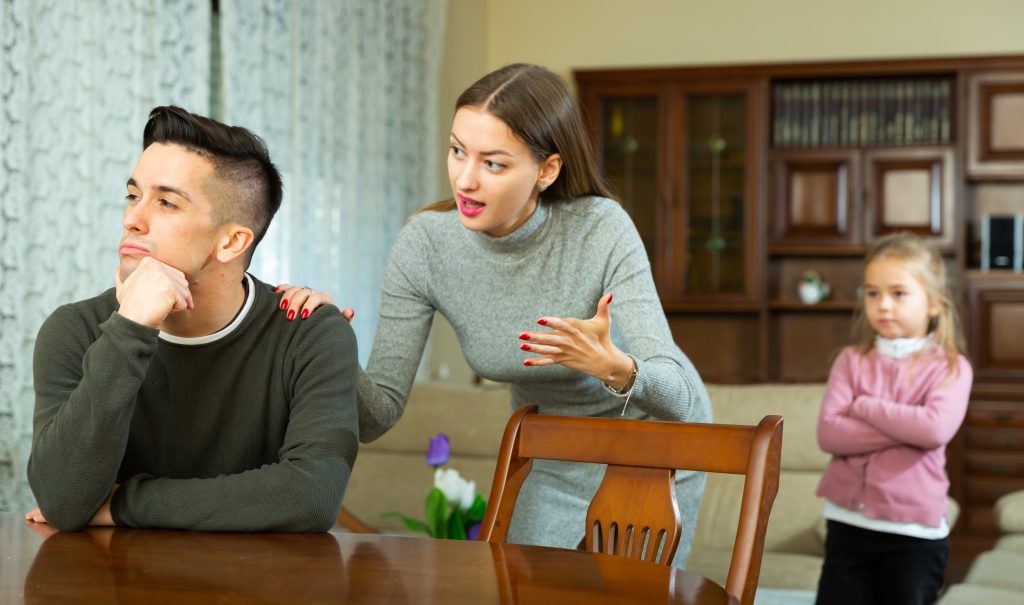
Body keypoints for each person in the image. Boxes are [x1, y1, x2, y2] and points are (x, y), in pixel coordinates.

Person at [277, 63, 712, 567]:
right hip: (551, 447)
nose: (465, 178)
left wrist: (612, 366)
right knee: (520, 587)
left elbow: (678, 398)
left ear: (546, 171)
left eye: (494, 164)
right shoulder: (425, 245)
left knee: (627, 597)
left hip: (652, 442)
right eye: (458, 150)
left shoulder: (600, 229)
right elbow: (377, 415)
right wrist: (329, 337)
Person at [25, 106, 359, 532]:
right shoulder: (75, 330)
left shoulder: (310, 334)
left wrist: (124, 504)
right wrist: (129, 331)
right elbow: (60, 500)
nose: (132, 219)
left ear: (232, 241)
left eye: (166, 202)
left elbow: (311, 496)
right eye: (133, 195)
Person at [814, 232, 973, 604]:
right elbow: (829, 434)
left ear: (933, 304)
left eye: (898, 293)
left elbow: (933, 429)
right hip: (847, 525)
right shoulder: (849, 360)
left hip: (914, 535)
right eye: (872, 293)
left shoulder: (951, 368)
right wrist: (908, 427)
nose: (883, 304)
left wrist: (865, 406)